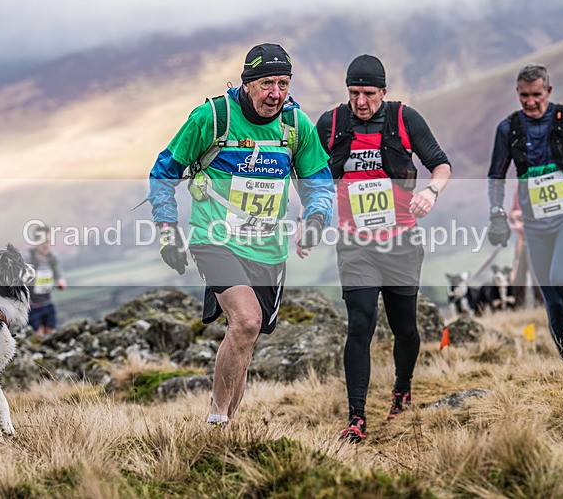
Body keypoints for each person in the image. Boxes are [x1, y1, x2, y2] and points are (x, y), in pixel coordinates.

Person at [147, 43, 334, 426]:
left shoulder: (296, 126)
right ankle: (216, 419)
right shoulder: (212, 118)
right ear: (247, 83)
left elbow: (319, 183)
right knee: (246, 321)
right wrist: (168, 231)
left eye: (283, 83)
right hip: (214, 237)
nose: (276, 94)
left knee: (246, 342)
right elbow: (163, 173)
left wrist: (315, 217)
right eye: (267, 83)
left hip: (267, 247)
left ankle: (225, 430)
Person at [312, 54, 451, 442]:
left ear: (383, 92)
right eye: (354, 93)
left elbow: (441, 164)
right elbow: (307, 170)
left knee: (404, 327)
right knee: (360, 325)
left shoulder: (404, 119)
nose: (360, 101)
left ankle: (401, 390)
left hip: (402, 241)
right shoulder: (332, 124)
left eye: (369, 93)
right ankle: (356, 417)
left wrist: (431, 192)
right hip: (355, 243)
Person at [487, 63, 563, 360]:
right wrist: (496, 213)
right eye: (523, 96)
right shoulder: (508, 128)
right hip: (536, 225)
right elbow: (496, 175)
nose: (530, 102)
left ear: (549, 91)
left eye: (536, 95)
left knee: (560, 277)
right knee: (552, 301)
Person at [27, 225, 67, 336]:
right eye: (43, 241)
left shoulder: (52, 258)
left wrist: (60, 281)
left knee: (51, 334)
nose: (46, 245)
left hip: (48, 303)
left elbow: (58, 273)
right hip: (33, 306)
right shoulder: (30, 258)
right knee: (38, 335)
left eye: (48, 241)